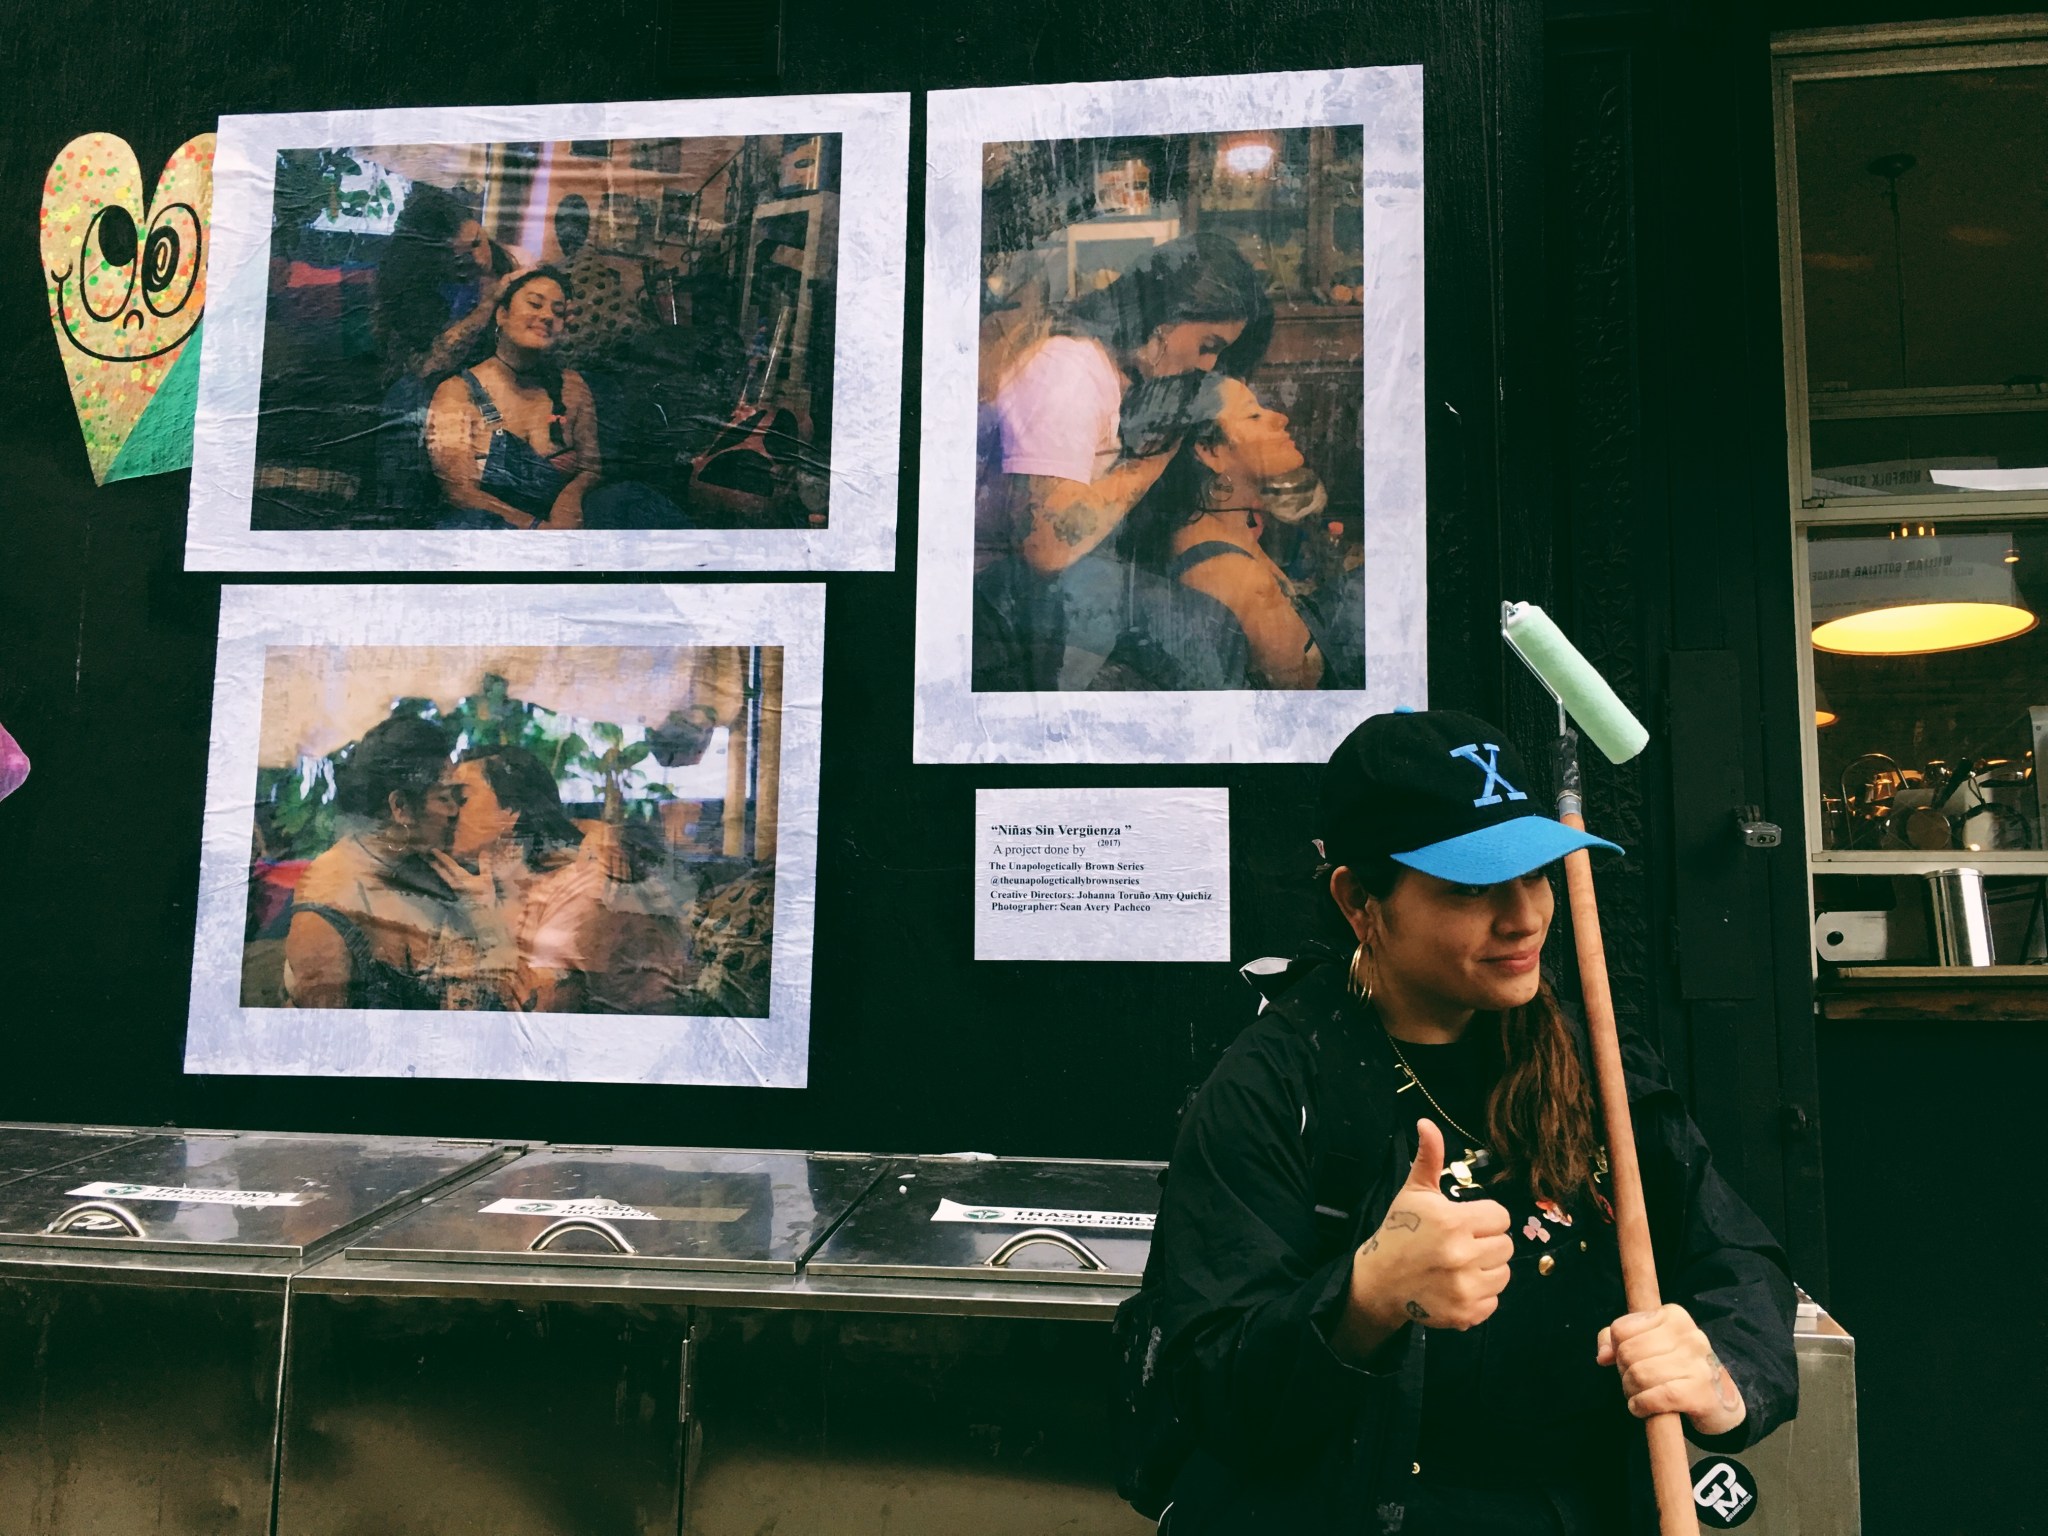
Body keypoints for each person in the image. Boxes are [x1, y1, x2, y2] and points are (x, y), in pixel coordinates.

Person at [1132, 709, 1797, 1533]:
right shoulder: (1276, 1086)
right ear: (1359, 901)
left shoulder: (1590, 1053)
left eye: (1537, 874)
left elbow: (1733, 1253)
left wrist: (1722, 1369)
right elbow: (1209, 1394)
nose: (1523, 917)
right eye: (1473, 888)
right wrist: (1363, 1299)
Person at [978, 232, 1273, 578]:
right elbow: (1046, 546)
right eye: (1207, 345)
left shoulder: (1115, 374)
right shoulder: (1068, 369)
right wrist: (1153, 457)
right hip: (991, 584)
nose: (1207, 365)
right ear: (1167, 317)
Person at [1122, 372, 1350, 690]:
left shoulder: (1229, 530)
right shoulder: (1232, 578)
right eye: (1254, 415)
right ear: (1210, 450)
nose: (1281, 418)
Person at [283, 715, 519, 1010]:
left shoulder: (418, 861)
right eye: (446, 797)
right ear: (401, 807)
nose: (455, 811)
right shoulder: (328, 904)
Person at [425, 266, 600, 530]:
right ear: (502, 314)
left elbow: (591, 468)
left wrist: (570, 498)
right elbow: (459, 491)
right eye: (534, 304)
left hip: (562, 531)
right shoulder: (457, 391)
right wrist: (536, 528)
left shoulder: (571, 387)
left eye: (558, 311)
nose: (547, 316)